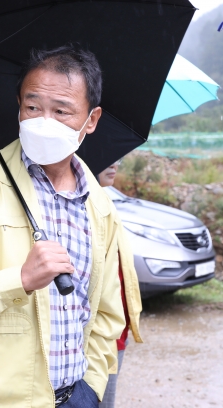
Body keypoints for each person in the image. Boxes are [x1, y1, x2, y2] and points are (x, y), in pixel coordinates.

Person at [0, 44, 125, 408]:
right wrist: (19, 279)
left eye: (61, 111)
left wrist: (91, 386)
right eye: (33, 107)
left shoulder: (100, 205)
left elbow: (106, 311)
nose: (44, 121)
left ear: (91, 119)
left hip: (77, 397)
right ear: (19, 105)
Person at [96, 161, 143, 408]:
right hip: (96, 337)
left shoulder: (105, 204)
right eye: (106, 157)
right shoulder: (77, 208)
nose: (115, 163)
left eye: (118, 157)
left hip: (116, 333)